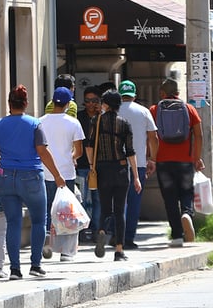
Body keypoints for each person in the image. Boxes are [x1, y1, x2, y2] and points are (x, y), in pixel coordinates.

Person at [0, 85, 65, 280]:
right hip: (31, 177)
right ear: (26, 104)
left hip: (6, 176)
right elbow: (42, 151)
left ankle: (15, 269)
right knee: (38, 220)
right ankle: (35, 264)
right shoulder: (34, 124)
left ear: (9, 104)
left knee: (13, 222)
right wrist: (57, 175)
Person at [86, 89, 141, 261]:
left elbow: (89, 146)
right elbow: (130, 151)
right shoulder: (124, 123)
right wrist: (136, 176)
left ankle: (101, 230)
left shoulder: (96, 121)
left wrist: (91, 166)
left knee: (105, 207)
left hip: (102, 169)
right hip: (121, 168)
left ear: (106, 104)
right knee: (119, 211)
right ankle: (119, 250)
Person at [150, 77, 203, 247]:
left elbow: (151, 136)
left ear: (162, 93)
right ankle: (187, 213)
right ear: (178, 93)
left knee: (170, 198)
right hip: (185, 160)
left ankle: (177, 235)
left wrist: (151, 158)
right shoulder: (189, 109)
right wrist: (196, 157)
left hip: (163, 161)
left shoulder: (154, 109)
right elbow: (199, 135)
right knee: (186, 192)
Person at [40, 87, 84, 261]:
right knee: (66, 213)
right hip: (66, 173)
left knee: (46, 210)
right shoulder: (73, 123)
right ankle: (66, 251)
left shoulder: (40, 122)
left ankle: (46, 245)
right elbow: (78, 151)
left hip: (45, 172)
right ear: (68, 103)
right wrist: (71, 156)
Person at [116, 79, 158, 248]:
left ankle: (116, 235)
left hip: (116, 163)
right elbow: (153, 137)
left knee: (117, 201)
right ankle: (128, 238)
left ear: (120, 94)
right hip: (138, 163)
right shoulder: (143, 111)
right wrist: (152, 158)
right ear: (134, 95)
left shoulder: (112, 111)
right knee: (134, 202)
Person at [75, 86, 103, 242]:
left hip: (99, 166)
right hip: (81, 165)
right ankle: (82, 230)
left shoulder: (103, 118)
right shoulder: (79, 118)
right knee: (83, 200)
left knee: (97, 199)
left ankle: (96, 230)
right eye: (87, 101)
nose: (91, 104)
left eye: (94, 101)